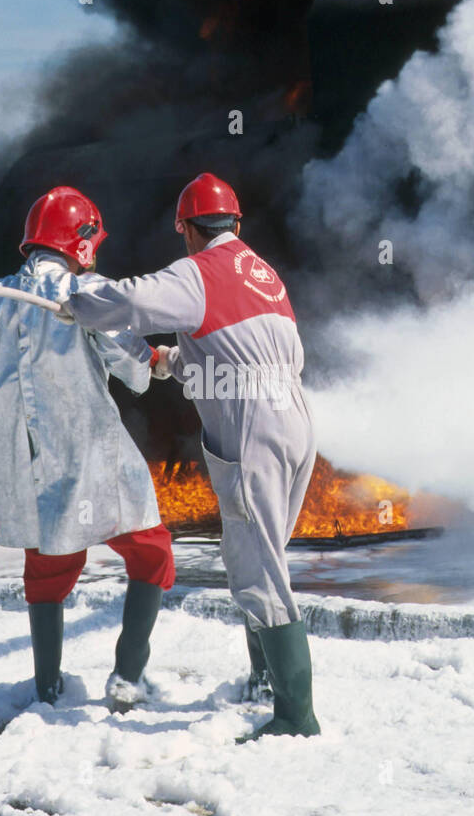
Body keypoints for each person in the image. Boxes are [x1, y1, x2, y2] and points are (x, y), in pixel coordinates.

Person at [61, 173, 320, 739]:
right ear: (236, 223)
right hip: (295, 420)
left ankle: (296, 718)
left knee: (259, 568)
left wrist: (79, 301)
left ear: (186, 229)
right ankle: (262, 684)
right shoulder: (263, 273)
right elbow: (243, 354)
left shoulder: (198, 271)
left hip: (254, 428)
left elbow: (131, 299)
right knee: (265, 554)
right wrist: (171, 363)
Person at [0, 186, 174, 712]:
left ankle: (47, 687)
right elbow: (129, 360)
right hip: (91, 452)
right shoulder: (85, 291)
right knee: (151, 553)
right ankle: (128, 677)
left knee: (45, 571)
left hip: (25, 462)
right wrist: (153, 363)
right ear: (82, 240)